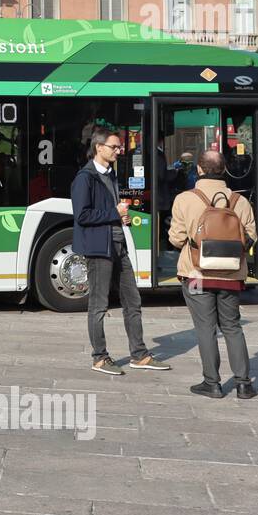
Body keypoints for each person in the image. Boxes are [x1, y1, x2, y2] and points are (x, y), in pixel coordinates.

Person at [72, 126, 168, 375]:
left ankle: (139, 354)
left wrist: (120, 219)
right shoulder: (85, 177)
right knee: (99, 304)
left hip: (118, 244)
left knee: (133, 300)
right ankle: (100, 357)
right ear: (99, 147)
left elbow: (106, 211)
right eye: (114, 146)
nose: (119, 150)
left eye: (119, 146)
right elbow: (82, 215)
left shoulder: (112, 174)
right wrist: (114, 213)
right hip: (99, 248)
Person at [168, 151, 258, 399]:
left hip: (196, 275)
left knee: (205, 328)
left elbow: (175, 239)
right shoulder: (240, 201)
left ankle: (212, 383)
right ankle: (243, 383)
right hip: (231, 275)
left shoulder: (185, 199)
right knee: (232, 326)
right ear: (224, 170)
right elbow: (251, 236)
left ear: (199, 169)